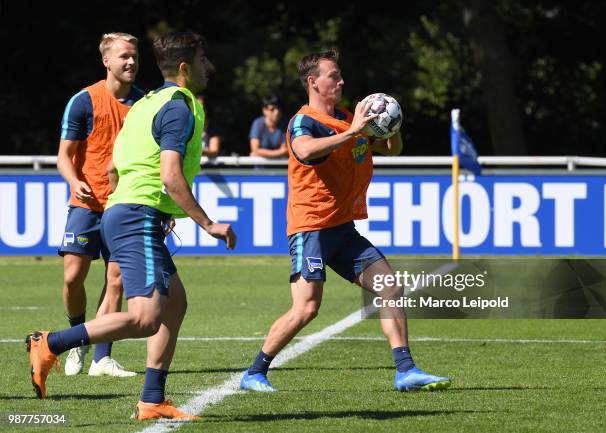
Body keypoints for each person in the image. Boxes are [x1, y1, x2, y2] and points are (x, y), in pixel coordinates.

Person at [26, 31, 236, 421]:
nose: (211, 67)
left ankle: (152, 400)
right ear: (186, 68)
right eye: (204, 59)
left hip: (131, 212)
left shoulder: (147, 102)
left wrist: (138, 208)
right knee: (145, 317)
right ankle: (50, 343)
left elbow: (112, 167)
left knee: (174, 304)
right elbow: (171, 175)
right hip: (136, 215)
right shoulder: (177, 105)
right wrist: (208, 224)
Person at [240, 50, 451, 393]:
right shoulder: (303, 121)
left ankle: (406, 371)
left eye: (340, 76)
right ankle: (254, 372)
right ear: (313, 82)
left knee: (390, 287)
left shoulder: (346, 118)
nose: (341, 81)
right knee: (307, 307)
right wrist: (353, 131)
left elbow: (390, 149)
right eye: (333, 76)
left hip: (342, 228)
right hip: (310, 228)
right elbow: (305, 151)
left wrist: (392, 125)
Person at [56, 32, 143, 378]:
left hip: (124, 205)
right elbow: (64, 156)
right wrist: (74, 180)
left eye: (135, 56)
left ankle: (101, 358)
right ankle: (79, 338)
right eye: (124, 56)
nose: (131, 62)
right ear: (106, 61)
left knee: (117, 278)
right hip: (87, 203)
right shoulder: (83, 101)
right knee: (73, 277)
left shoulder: (144, 104)